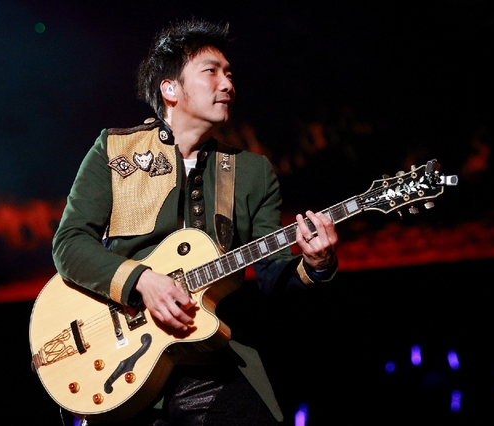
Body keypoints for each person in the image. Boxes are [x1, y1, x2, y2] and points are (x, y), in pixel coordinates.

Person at [52, 18, 340, 425]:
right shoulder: (114, 150)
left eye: (229, 74)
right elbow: (69, 243)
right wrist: (143, 281)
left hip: (212, 363)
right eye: (211, 72)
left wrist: (316, 264)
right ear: (170, 89)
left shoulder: (252, 172)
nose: (227, 84)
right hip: (122, 362)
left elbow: (272, 277)